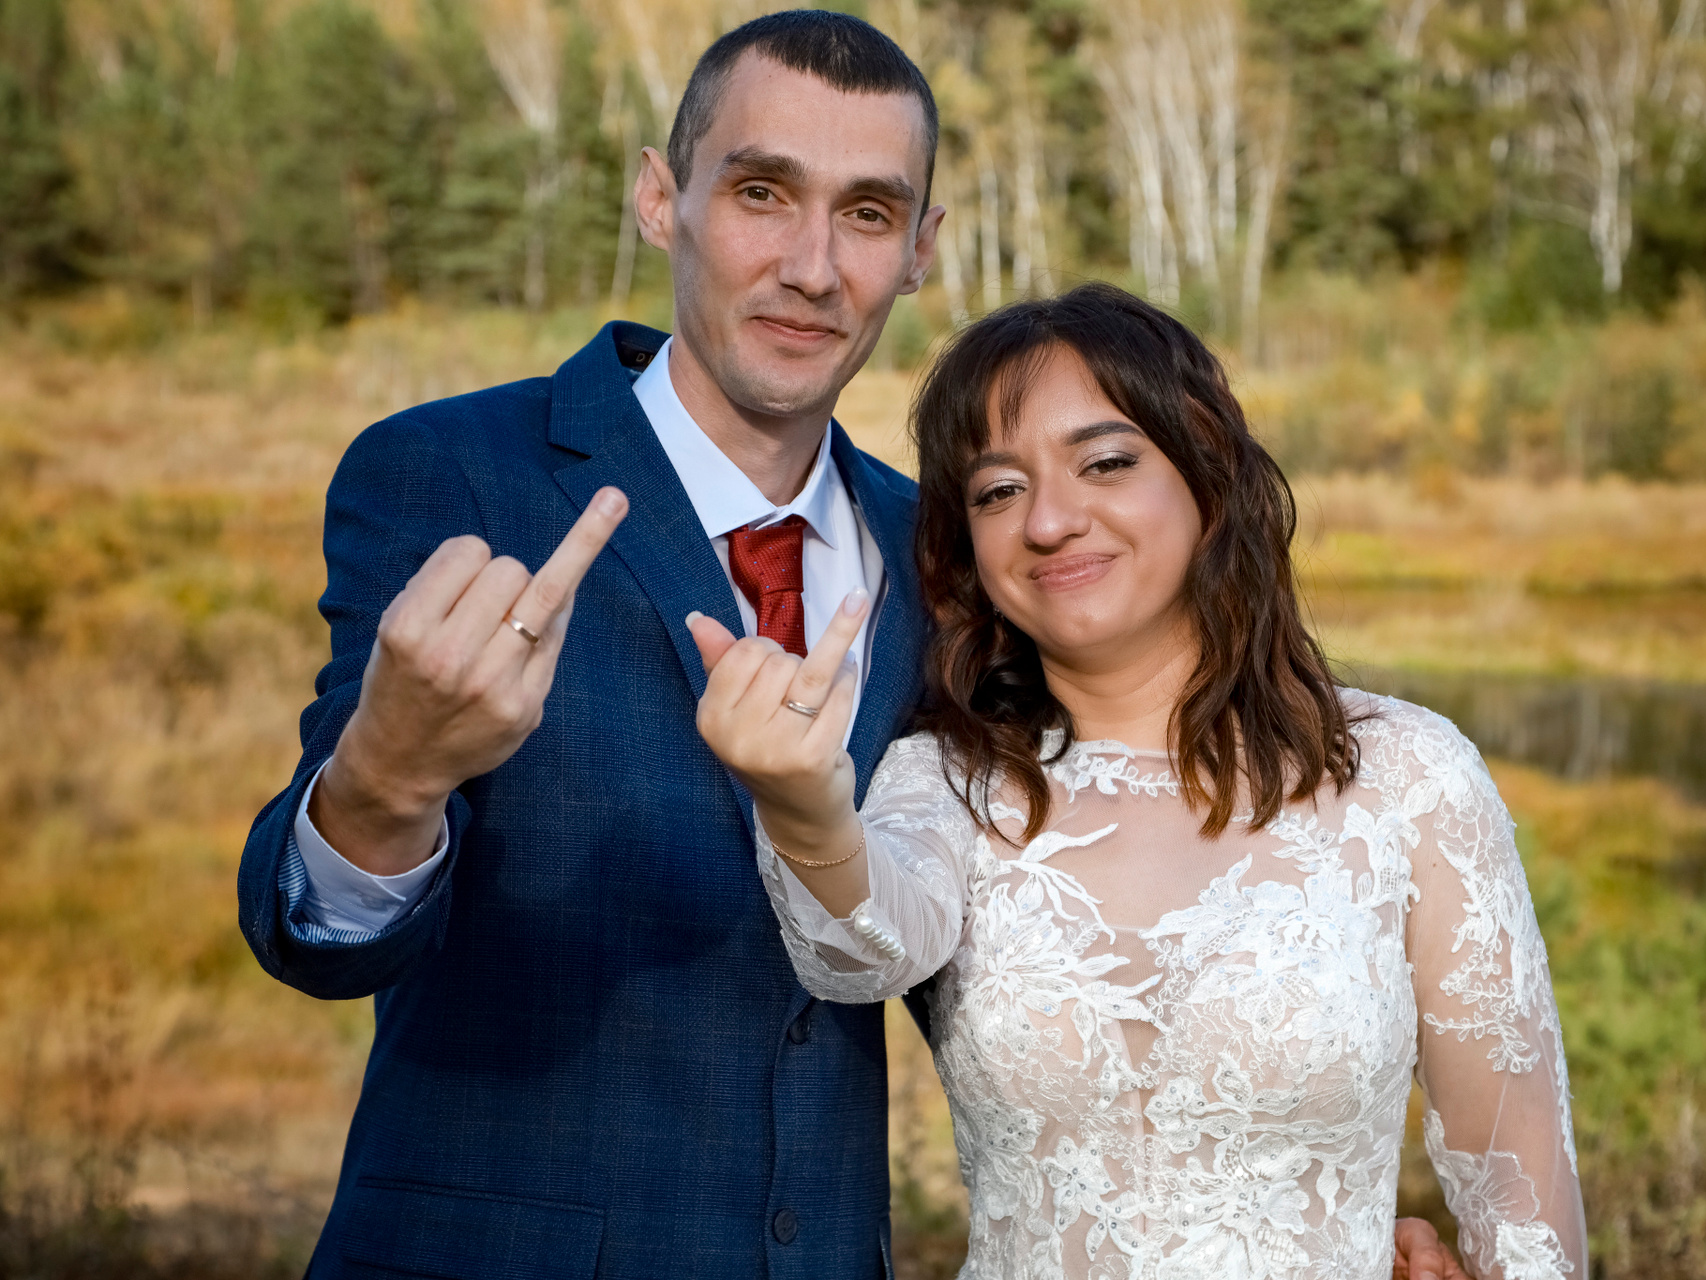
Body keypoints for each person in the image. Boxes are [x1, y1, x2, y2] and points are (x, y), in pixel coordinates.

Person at [691, 283, 1586, 1278]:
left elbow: (1525, 1197)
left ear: (1207, 472)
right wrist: (804, 803)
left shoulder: (1411, 777)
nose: (1049, 520)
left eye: (1106, 463)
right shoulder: (950, 780)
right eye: (998, 491)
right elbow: (865, 950)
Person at [237, 12, 941, 1276]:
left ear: (922, 251)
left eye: (869, 213)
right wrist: (386, 777)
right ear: (660, 199)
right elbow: (316, 942)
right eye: (762, 193)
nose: (813, 266)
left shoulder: (941, 549)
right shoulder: (451, 472)